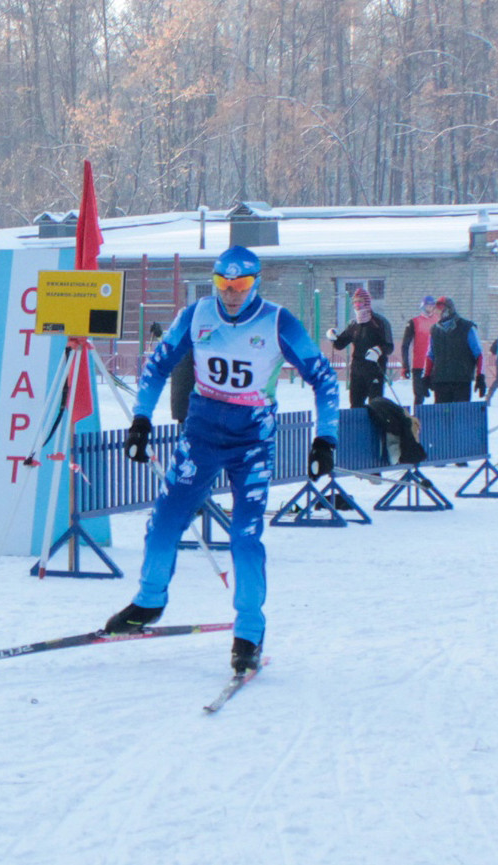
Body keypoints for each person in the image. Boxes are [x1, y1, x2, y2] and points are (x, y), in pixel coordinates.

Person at [104, 246, 340, 678]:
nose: (231, 293)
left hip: (252, 441)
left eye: (242, 284)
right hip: (202, 434)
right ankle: (149, 601)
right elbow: (156, 367)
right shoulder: (196, 315)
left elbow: (323, 378)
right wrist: (140, 420)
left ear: (256, 283)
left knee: (245, 537)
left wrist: (325, 438)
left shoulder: (277, 320)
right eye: (224, 284)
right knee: (165, 521)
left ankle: (249, 631)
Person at [328, 287, 394, 407]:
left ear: (367, 302)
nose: (357, 305)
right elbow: (340, 344)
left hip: (375, 369)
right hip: (357, 370)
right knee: (355, 403)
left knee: (376, 404)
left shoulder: (380, 322)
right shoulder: (354, 324)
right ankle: (358, 425)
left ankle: (376, 425)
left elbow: (389, 346)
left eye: (360, 301)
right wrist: (333, 337)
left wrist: (378, 351)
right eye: (355, 302)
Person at [425, 296, 484, 403]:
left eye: (440, 308)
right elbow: (431, 355)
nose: (437, 311)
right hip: (441, 381)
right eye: (436, 308)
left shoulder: (467, 327)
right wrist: (426, 376)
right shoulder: (435, 330)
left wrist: (480, 376)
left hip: (461, 381)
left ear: (448, 309)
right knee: (442, 417)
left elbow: (479, 354)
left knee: (460, 416)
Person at [400, 296, 437, 405]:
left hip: (436, 365)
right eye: (427, 305)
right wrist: (405, 365)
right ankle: (417, 419)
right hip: (419, 366)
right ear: (423, 306)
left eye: (431, 305)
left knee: (439, 397)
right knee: (419, 397)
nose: (429, 308)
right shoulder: (414, 322)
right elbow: (405, 346)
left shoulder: (438, 321)